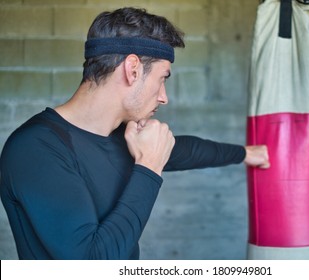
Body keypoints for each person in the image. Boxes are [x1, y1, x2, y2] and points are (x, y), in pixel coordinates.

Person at [0, 7, 270, 260]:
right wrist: (149, 167)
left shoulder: (119, 136)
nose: (164, 97)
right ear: (133, 70)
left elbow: (185, 151)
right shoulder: (35, 149)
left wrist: (247, 154)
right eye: (162, 79)